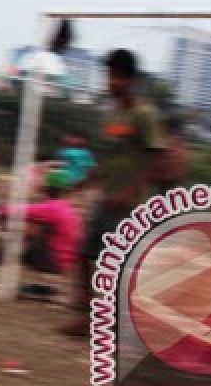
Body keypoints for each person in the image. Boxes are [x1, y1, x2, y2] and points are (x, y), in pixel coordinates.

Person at [60, 49, 167, 337]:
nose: (109, 82)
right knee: (84, 254)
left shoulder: (144, 114)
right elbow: (111, 157)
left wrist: (131, 190)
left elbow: (156, 157)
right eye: (108, 75)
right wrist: (86, 181)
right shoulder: (114, 114)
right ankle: (87, 316)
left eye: (115, 76)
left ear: (129, 79)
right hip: (107, 197)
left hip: (129, 203)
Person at [0, 169, 82, 279]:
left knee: (24, 224)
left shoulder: (53, 208)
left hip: (53, 263)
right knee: (34, 224)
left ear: (46, 189)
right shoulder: (68, 209)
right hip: (65, 264)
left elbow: (6, 210)